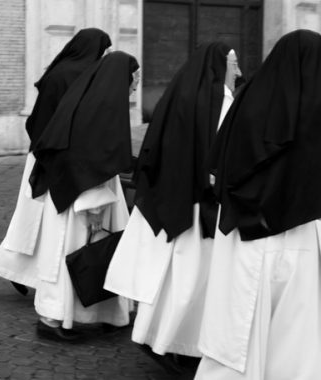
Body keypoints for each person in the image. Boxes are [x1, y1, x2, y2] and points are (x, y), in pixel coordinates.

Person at [103, 43, 241, 364]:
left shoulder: (177, 94)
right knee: (194, 280)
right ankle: (174, 344)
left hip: (172, 198)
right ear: (220, 66)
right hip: (202, 203)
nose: (238, 73)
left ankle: (154, 337)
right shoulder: (222, 99)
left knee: (170, 279)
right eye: (233, 66)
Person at [195, 29, 321, 379]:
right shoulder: (312, 108)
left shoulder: (247, 99)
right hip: (294, 234)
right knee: (291, 332)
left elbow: (218, 169)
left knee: (239, 325)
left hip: (242, 229)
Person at [0, 28, 111, 295]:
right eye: (103, 50)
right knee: (38, 216)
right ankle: (17, 268)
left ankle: (17, 268)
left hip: (46, 152)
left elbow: (36, 119)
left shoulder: (61, 72)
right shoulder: (78, 76)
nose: (105, 56)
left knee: (35, 218)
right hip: (54, 155)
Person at [25, 50, 140, 340]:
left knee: (98, 252)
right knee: (76, 253)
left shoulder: (92, 101)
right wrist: (94, 207)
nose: (136, 85)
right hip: (84, 195)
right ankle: (52, 320)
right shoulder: (101, 109)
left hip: (85, 189)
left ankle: (111, 315)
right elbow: (89, 158)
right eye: (134, 78)